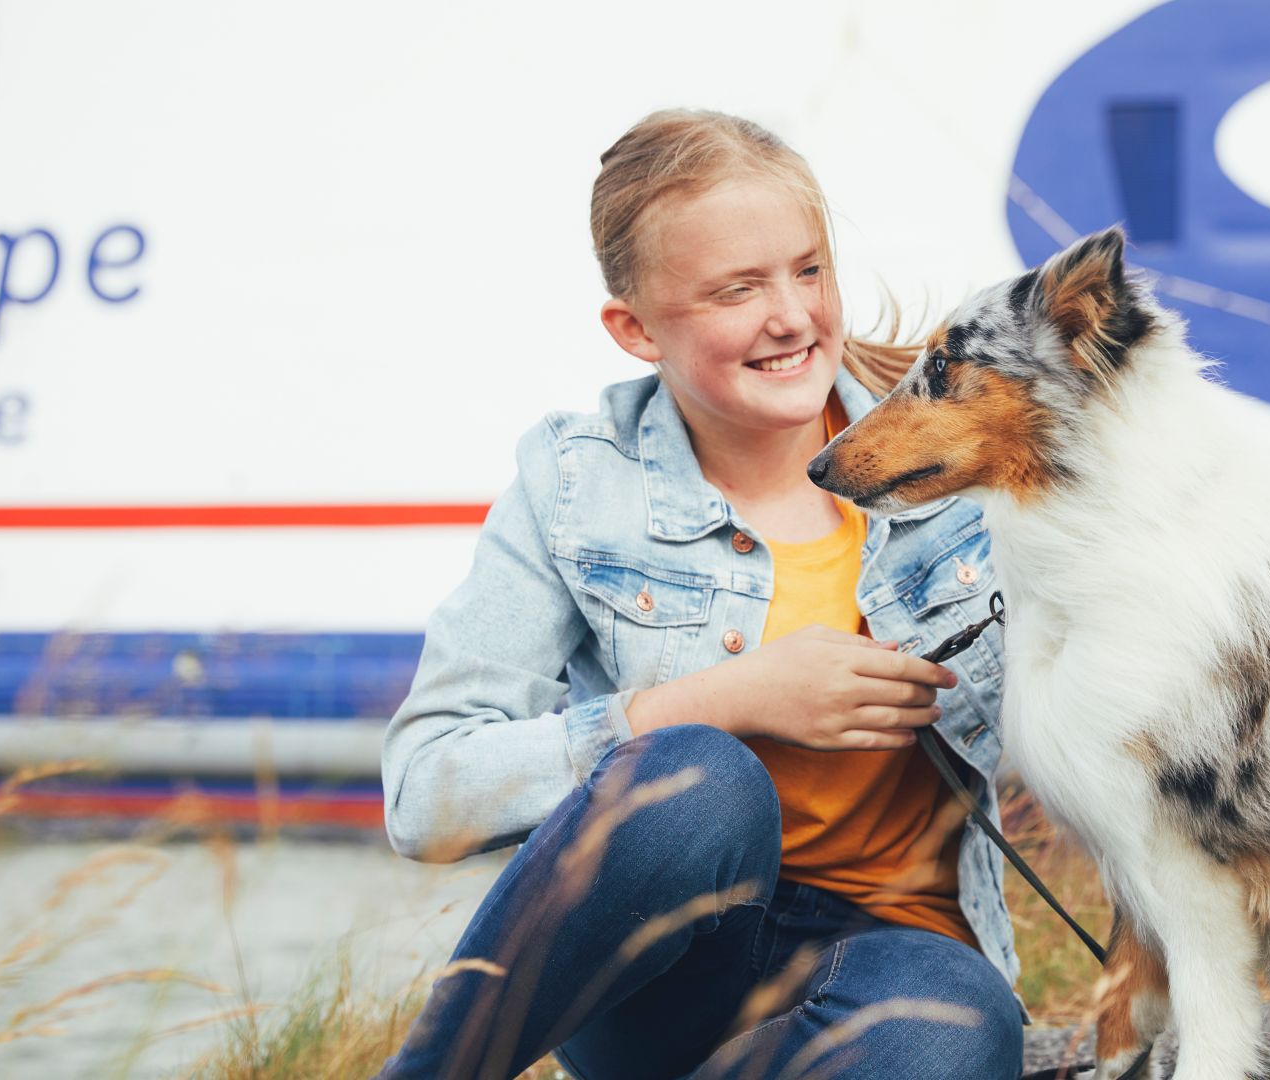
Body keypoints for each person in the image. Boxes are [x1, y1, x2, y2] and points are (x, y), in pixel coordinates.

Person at [376, 109, 1021, 1080]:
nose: (794, 317)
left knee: (959, 1021)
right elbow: (426, 796)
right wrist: (732, 699)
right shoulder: (574, 483)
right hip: (662, 980)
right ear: (636, 329)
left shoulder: (964, 447)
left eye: (809, 269)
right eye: (736, 291)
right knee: (696, 781)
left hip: (891, 967)